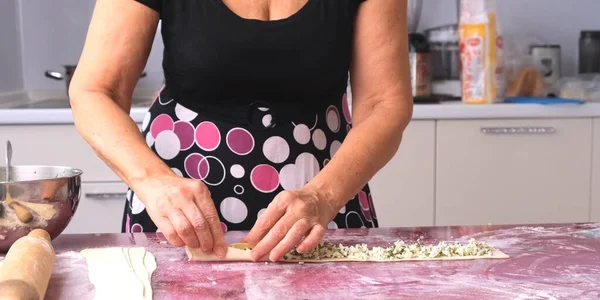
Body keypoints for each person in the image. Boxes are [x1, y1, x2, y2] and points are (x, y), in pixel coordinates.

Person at [69, 0, 412, 262]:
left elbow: (384, 102)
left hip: (323, 203)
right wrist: (152, 181)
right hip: (178, 208)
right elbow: (97, 91)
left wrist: (322, 197)